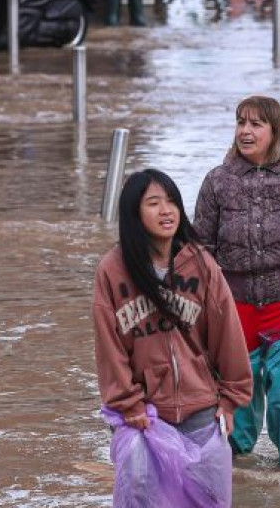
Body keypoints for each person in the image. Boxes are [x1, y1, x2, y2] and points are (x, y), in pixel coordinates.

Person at [192, 96, 280, 458]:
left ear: (277, 131)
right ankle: (237, 484)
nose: (245, 131)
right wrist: (206, 308)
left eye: (255, 124)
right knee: (229, 416)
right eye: (241, 122)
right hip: (233, 309)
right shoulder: (217, 182)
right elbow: (201, 250)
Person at [93, 169, 253, 500]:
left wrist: (232, 399)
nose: (166, 211)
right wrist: (128, 403)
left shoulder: (200, 263)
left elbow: (228, 335)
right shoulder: (113, 269)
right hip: (144, 418)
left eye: (172, 202)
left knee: (208, 500)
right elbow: (109, 345)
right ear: (134, 214)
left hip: (201, 413)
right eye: (154, 203)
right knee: (144, 499)